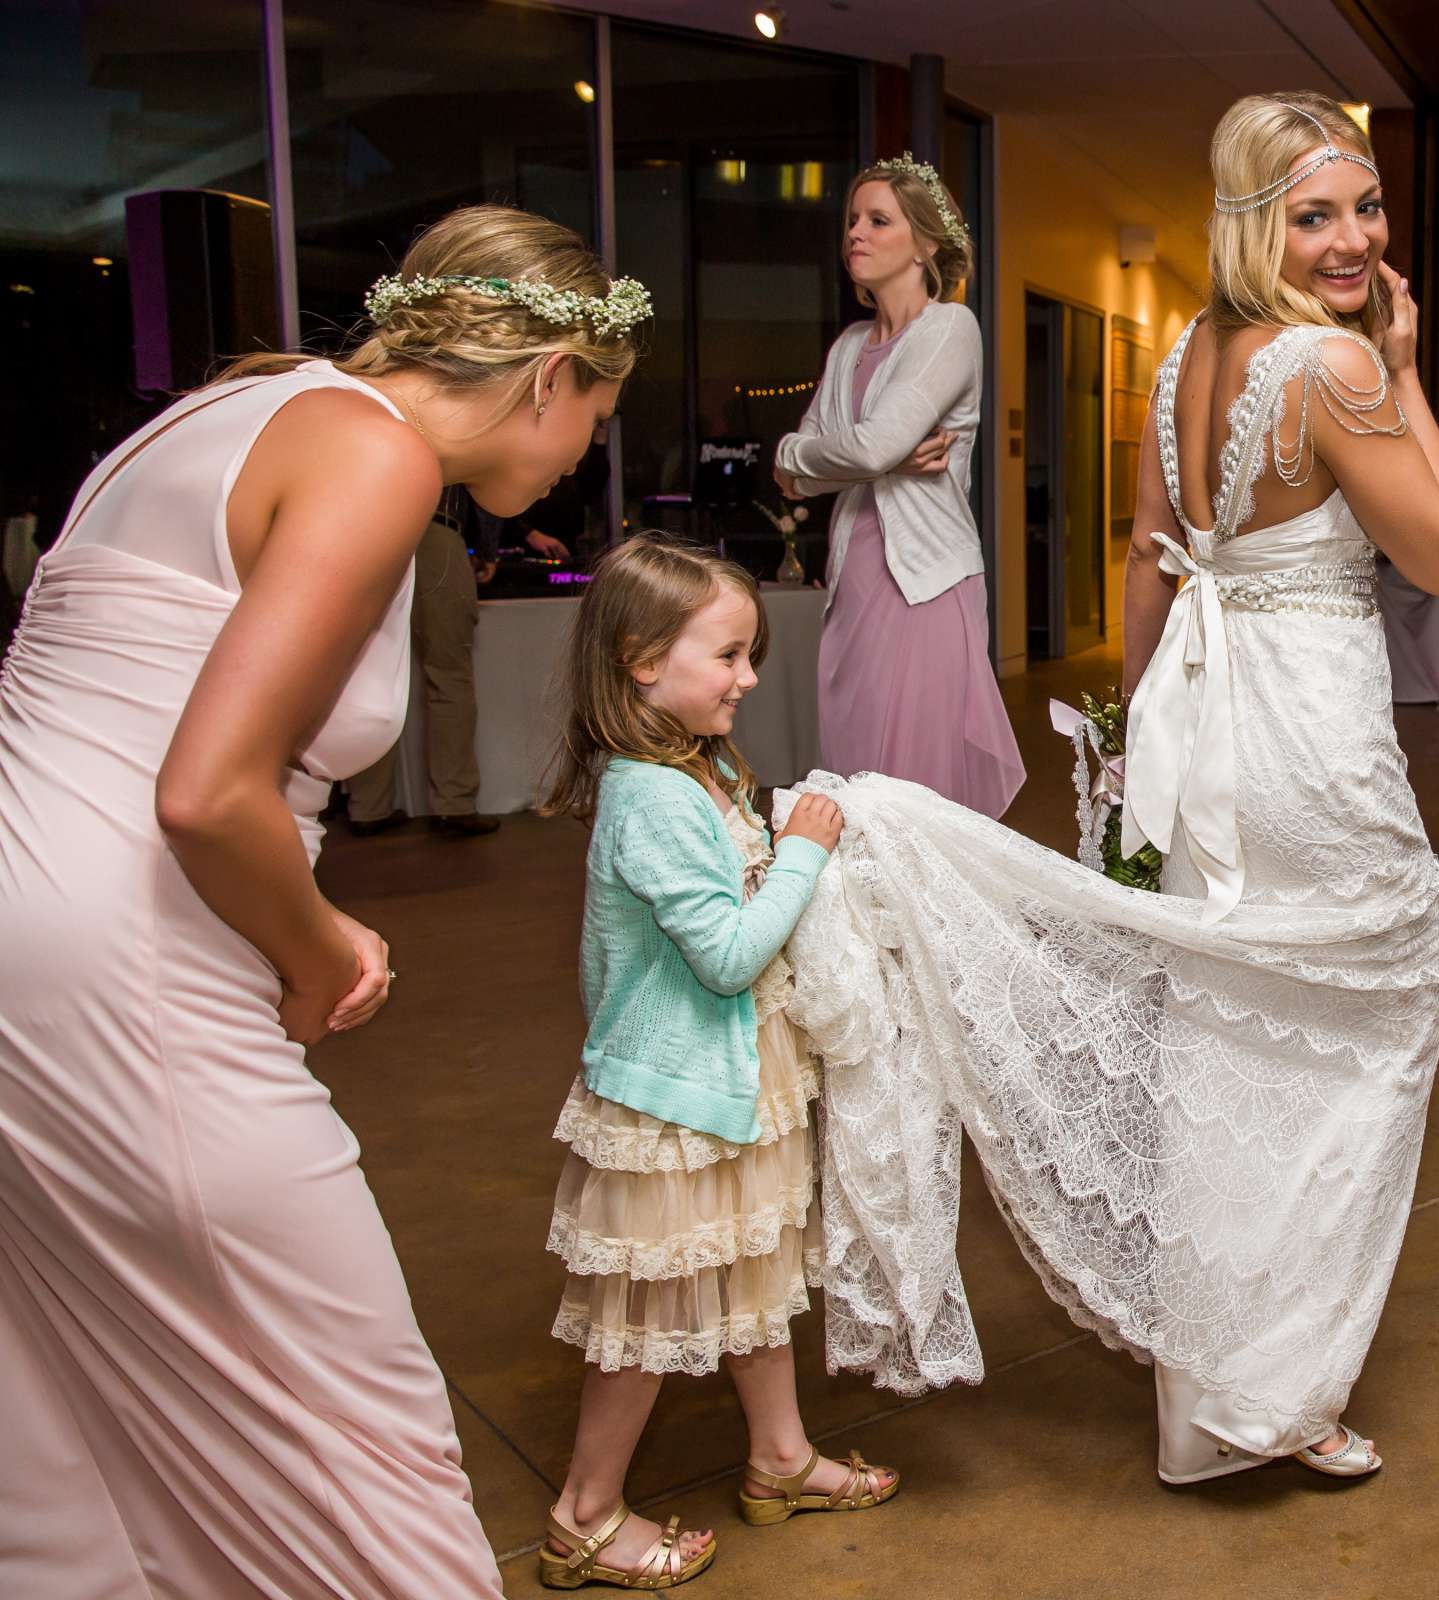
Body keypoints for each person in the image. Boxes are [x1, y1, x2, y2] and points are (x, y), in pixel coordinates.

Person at [755, 92, 1439, 1489]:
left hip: (1204, 729)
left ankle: (1211, 1385)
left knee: (1225, 1033)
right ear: (1253, 222)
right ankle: (1277, 1387)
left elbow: (1150, 557)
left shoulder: (1187, 353)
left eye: (1367, 207)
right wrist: (1405, 363)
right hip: (1308, 740)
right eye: (1314, 213)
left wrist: (1139, 733)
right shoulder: (1335, 367)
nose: (1353, 238)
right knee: (1371, 1020)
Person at [0, 204, 642, 1596]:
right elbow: (207, 792)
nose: (587, 447)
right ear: (548, 378)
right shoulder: (373, 454)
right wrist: (317, 944)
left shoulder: (225, 412)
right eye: (594, 411)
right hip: (128, 954)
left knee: (69, 1396)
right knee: (365, 1436)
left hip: (21, 930)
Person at [532, 536, 895, 1590]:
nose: (747, 676)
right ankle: (585, 1512)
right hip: (673, 1105)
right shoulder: (651, 797)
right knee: (647, 1319)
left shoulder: (698, 768)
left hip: (731, 1088)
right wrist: (805, 852)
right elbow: (731, 955)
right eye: (729, 656)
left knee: (752, 1279)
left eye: (750, 655)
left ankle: (780, 1455)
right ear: (644, 661)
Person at [775, 154, 1024, 818]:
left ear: (925, 244)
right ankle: (869, 920)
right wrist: (860, 456)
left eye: (878, 220)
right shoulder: (848, 347)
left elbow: (855, 448)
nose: (856, 232)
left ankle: (922, 921)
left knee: (911, 789)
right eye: (853, 219)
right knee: (854, 767)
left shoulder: (949, 328)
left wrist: (839, 454)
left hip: (926, 584)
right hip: (851, 582)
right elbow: (791, 473)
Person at [344, 486, 567, 839]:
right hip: (434, 529)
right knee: (448, 676)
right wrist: (488, 549)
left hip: (367, 528)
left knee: (371, 672)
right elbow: (484, 484)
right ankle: (453, 804)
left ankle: (367, 805)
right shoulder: (451, 431)